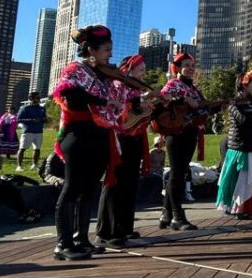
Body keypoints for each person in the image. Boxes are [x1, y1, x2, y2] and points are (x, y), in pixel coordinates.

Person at [50, 25, 124, 260]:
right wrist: (102, 100)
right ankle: (62, 243)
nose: (110, 55)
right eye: (106, 50)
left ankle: (81, 239)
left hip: (99, 136)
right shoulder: (75, 70)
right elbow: (69, 95)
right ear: (91, 50)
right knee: (71, 188)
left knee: (89, 190)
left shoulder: (102, 76)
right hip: (78, 136)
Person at [95, 55, 153, 246]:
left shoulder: (137, 90)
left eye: (144, 69)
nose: (143, 72)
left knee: (129, 183)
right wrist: (138, 106)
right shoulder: (118, 86)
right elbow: (118, 113)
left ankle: (124, 227)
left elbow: (139, 116)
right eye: (140, 68)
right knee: (115, 182)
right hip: (119, 138)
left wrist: (149, 107)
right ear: (128, 70)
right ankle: (107, 230)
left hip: (135, 138)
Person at [157, 52, 207, 231]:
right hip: (176, 133)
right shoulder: (173, 84)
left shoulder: (195, 88)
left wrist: (216, 106)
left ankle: (166, 213)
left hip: (190, 133)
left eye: (192, 65)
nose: (190, 68)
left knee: (179, 172)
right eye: (186, 65)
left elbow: (202, 110)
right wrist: (183, 99)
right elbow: (162, 100)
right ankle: (177, 216)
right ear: (177, 68)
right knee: (178, 174)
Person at [216, 71, 252, 218]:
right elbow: (243, 120)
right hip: (241, 144)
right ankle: (241, 208)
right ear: (244, 84)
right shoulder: (234, 103)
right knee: (243, 175)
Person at [16, 92, 48, 171]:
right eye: (37, 98)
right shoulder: (25, 108)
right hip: (28, 131)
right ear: (31, 99)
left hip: (39, 131)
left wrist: (43, 120)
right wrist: (32, 120)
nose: (38, 99)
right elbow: (18, 119)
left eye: (39, 98)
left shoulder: (42, 108)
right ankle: (19, 166)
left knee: (37, 149)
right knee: (22, 148)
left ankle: (34, 165)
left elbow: (45, 119)